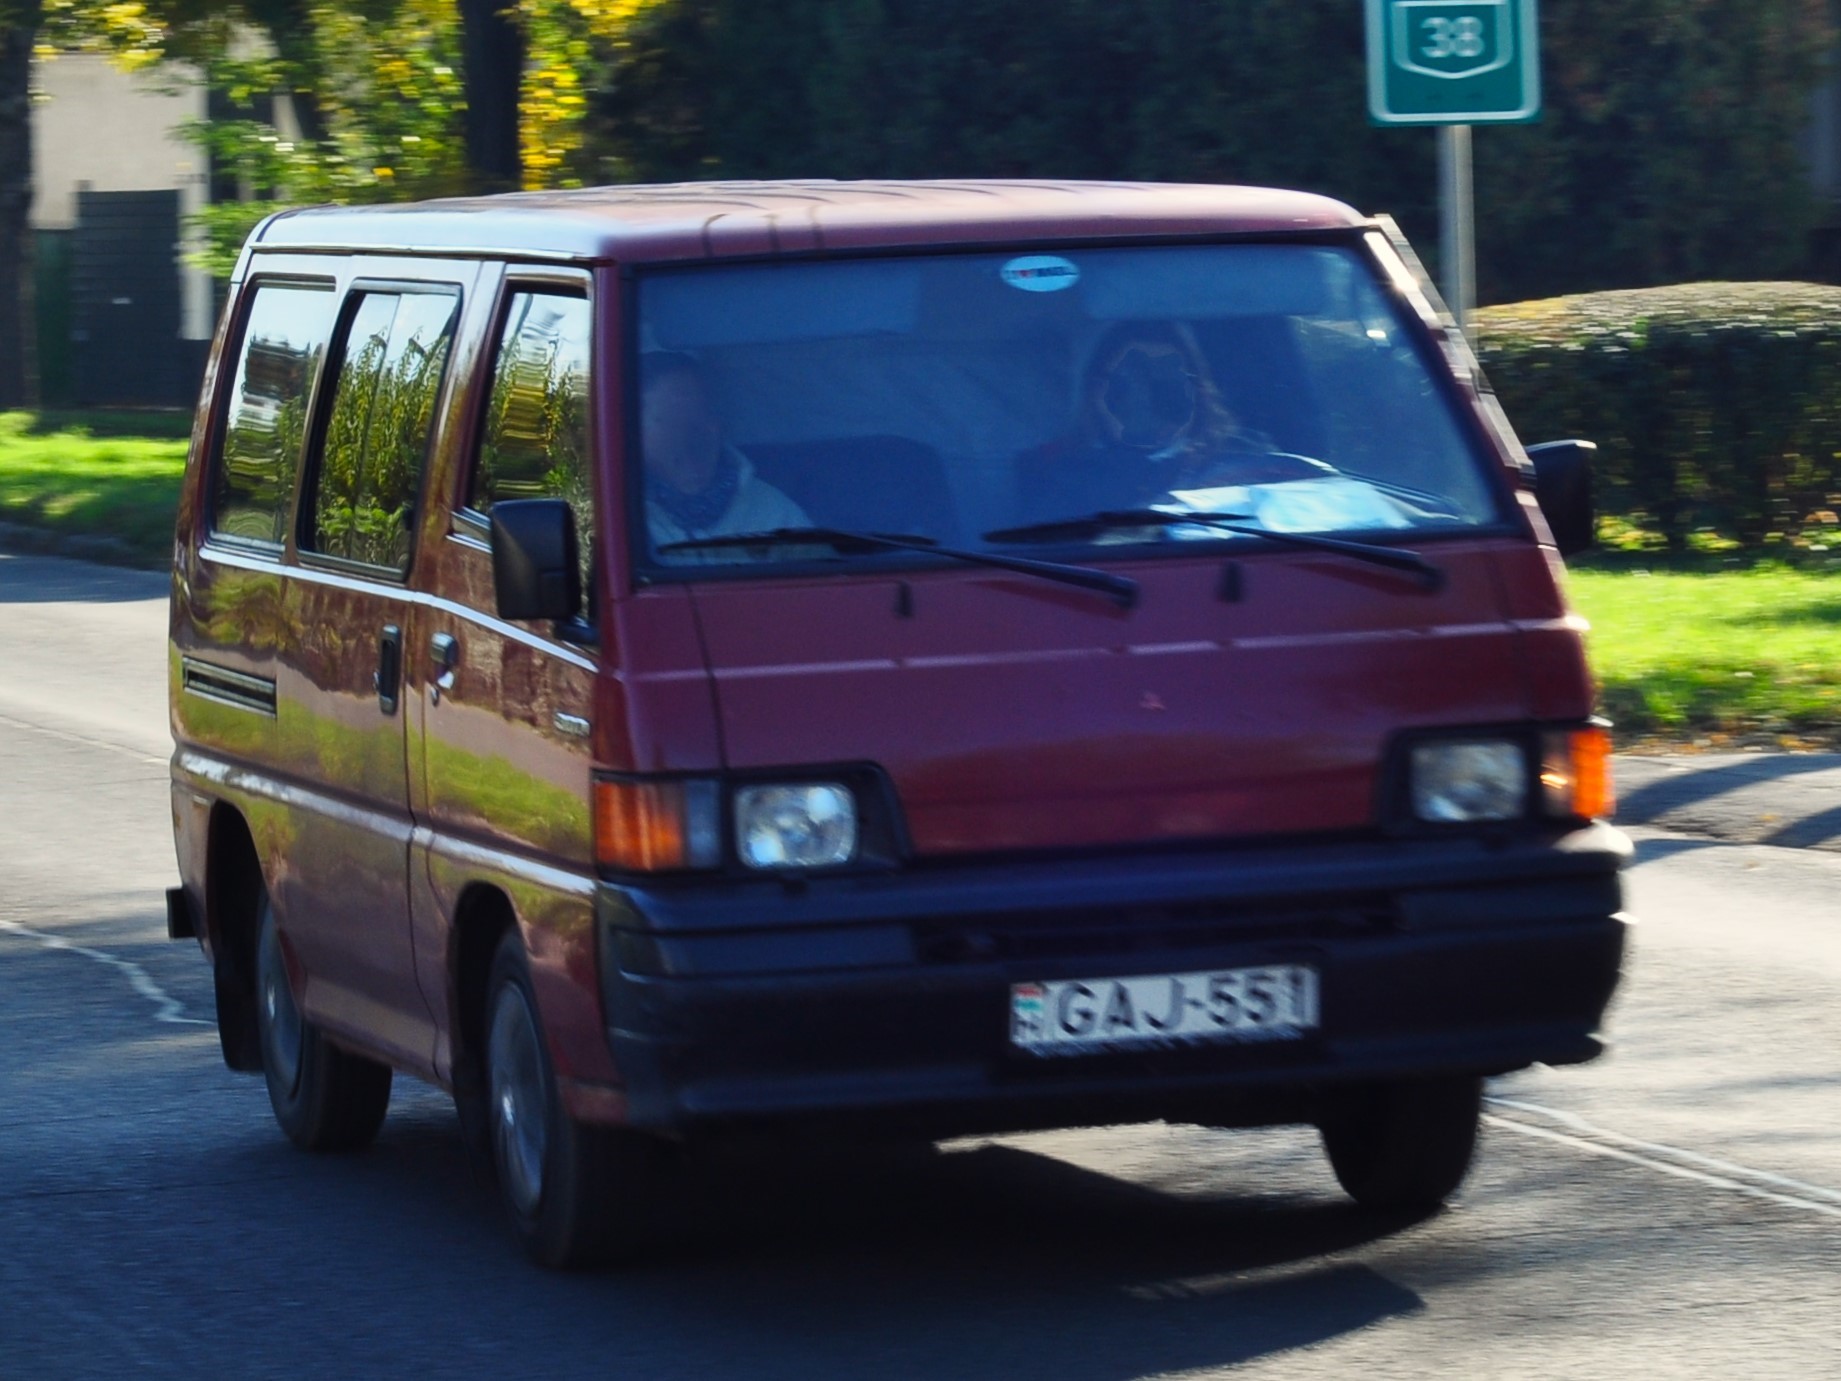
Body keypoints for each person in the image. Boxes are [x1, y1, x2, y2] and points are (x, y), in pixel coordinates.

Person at [1014, 322, 1312, 524]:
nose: (1143, 407)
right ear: (1094, 393)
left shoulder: (1251, 457)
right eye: (1123, 389)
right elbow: (1058, 559)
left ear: (1199, 393)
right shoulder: (1057, 474)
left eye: (1166, 390)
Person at [641, 352, 808, 557]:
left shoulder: (775, 513)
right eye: (668, 421)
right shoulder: (615, 521)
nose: (689, 439)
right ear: (634, 432)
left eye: (700, 418)